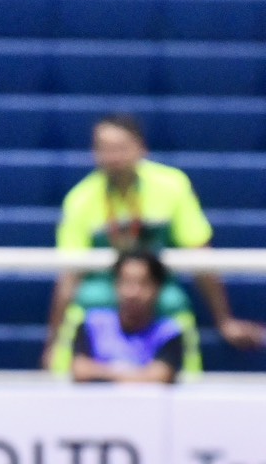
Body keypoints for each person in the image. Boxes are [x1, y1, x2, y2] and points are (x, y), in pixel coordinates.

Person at [45, 113, 265, 372]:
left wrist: (223, 319)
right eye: (104, 149)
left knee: (174, 302)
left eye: (120, 148)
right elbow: (70, 275)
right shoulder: (80, 199)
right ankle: (69, 369)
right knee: (86, 301)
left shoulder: (172, 186)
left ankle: (185, 375)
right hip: (106, 285)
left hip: (157, 284)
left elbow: (199, 253)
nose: (113, 157)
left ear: (141, 148)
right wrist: (53, 343)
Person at [70, 251, 184, 385]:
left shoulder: (168, 332)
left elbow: (160, 377)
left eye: (142, 283)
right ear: (115, 284)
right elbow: (80, 371)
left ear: (157, 288)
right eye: (126, 282)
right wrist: (137, 374)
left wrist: (100, 371)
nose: (133, 293)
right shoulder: (92, 324)